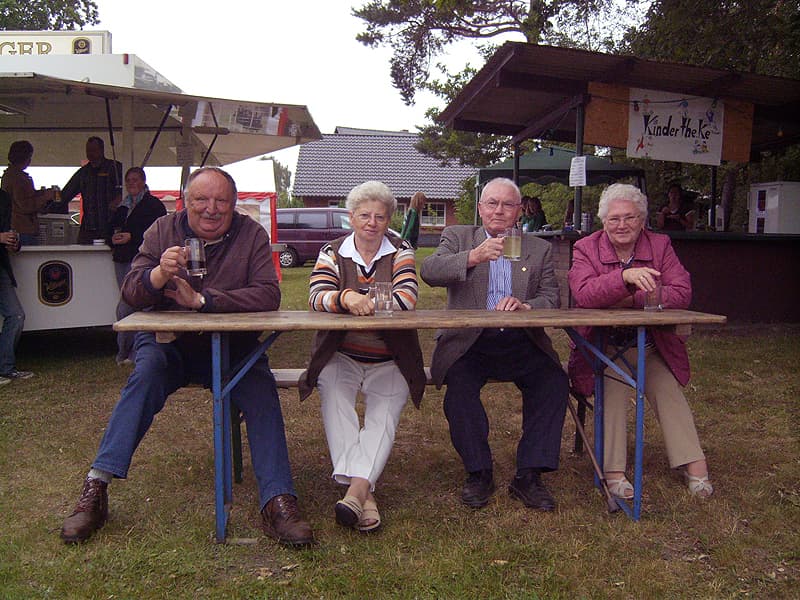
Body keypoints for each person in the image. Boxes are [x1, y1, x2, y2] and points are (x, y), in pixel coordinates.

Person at [60, 167, 315, 547]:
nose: (211, 209)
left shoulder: (251, 234)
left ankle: (278, 501)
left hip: (233, 348)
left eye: (221, 201)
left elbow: (267, 294)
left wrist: (203, 301)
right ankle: (95, 489)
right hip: (170, 346)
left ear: (233, 204)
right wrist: (158, 277)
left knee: (260, 388)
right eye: (201, 200)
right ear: (185, 201)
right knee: (145, 376)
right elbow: (131, 291)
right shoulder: (162, 229)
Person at [420, 177, 568, 511]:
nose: (499, 211)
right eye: (492, 203)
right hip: (469, 338)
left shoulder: (538, 247)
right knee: (459, 386)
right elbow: (429, 270)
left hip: (520, 337)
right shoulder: (458, 237)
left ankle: (529, 475)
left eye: (507, 204)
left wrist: (528, 307)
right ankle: (478, 472)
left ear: (519, 210)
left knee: (553, 380)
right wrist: (472, 257)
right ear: (480, 208)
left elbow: (551, 298)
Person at [567, 183, 713, 499]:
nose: (622, 225)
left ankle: (694, 465)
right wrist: (624, 278)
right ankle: (614, 472)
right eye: (614, 219)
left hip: (651, 345)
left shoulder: (660, 245)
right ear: (603, 222)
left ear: (642, 220)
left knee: (668, 392)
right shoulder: (585, 248)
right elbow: (584, 294)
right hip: (602, 347)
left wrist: (626, 298)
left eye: (630, 218)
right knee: (613, 394)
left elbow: (681, 293)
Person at [300, 181, 425, 532]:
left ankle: (356, 490)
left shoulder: (401, 250)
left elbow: (408, 298)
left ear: (388, 221)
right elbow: (316, 295)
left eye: (380, 216)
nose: (371, 222)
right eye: (364, 215)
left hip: (390, 356)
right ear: (351, 217)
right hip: (341, 354)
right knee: (335, 400)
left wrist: (357, 298)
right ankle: (365, 493)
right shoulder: (332, 251)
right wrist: (345, 299)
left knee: (383, 415)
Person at [109, 167, 167, 365]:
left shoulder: (154, 205)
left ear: (143, 181)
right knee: (128, 303)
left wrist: (132, 237)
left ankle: (130, 352)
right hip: (122, 258)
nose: (132, 183)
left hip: (143, 259)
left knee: (133, 305)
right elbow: (111, 228)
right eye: (129, 180)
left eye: (135, 180)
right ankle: (128, 352)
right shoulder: (122, 207)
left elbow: (158, 232)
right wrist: (113, 238)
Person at [59, 136, 123, 244]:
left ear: (102, 150)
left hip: (110, 226)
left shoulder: (115, 168)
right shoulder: (83, 173)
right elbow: (66, 194)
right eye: (88, 151)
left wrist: (119, 199)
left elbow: (129, 189)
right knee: (82, 256)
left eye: (93, 150)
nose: (90, 154)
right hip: (88, 227)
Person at [0, 187, 32, 383]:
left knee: (16, 315)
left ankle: (5, 368)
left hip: (1, 266)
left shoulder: (4, 197)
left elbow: (7, 230)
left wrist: (14, 243)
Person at [1, 140, 55, 245]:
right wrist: (45, 197)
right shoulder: (17, 178)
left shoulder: (12, 176)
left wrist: (40, 194)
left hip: (21, 228)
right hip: (22, 229)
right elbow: (25, 205)